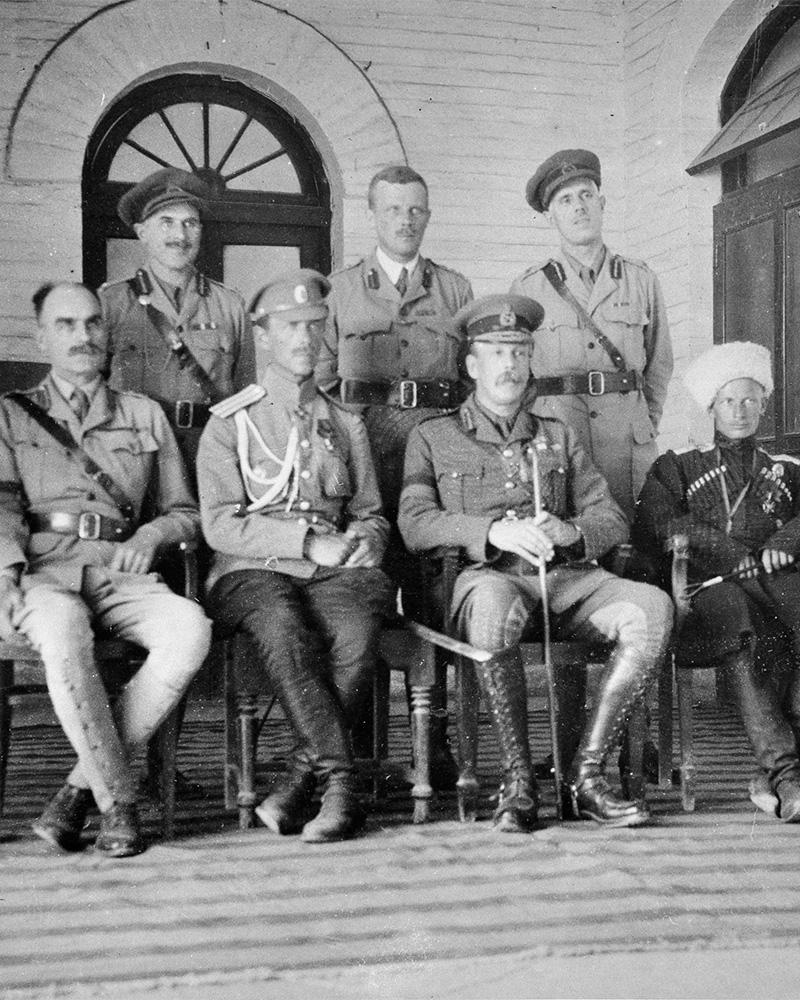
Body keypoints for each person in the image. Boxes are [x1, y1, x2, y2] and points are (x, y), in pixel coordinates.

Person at [398, 294, 672, 832]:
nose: (509, 365)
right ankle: (518, 781)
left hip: (568, 580)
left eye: (519, 352)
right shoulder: (432, 437)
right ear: (472, 364)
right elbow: (415, 523)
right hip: (488, 579)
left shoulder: (558, 435)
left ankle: (585, 777)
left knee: (652, 608)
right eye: (496, 352)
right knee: (495, 607)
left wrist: (571, 532)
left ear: (530, 363)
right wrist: (491, 532)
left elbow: (609, 516)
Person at [0, 283, 211, 856]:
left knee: (189, 628)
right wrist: (5, 574)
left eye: (92, 323)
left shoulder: (144, 413)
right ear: (41, 335)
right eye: (65, 325)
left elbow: (185, 513)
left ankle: (75, 790)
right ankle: (118, 800)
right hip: (46, 574)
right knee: (64, 633)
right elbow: (2, 509)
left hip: (122, 572)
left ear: (107, 331)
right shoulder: (11, 415)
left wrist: (151, 533)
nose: (83, 336)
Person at [198, 269, 393, 843]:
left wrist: (367, 538)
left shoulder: (345, 421)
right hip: (251, 571)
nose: (306, 338)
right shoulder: (231, 422)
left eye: (315, 325)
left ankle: (300, 779)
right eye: (290, 326)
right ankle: (340, 786)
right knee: (285, 628)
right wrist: (307, 543)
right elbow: (218, 524)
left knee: (357, 632)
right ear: (262, 335)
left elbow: (371, 510)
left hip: (334, 570)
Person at [316, 165, 474, 780]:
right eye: (393, 211)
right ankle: (354, 745)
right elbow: (325, 389)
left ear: (427, 215)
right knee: (360, 596)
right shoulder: (340, 290)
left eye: (416, 210)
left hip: (434, 464)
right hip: (365, 464)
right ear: (373, 216)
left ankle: (430, 746)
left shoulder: (455, 290)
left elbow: (470, 383)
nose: (405, 221)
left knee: (434, 597)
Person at [633, 341, 800, 823]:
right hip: (708, 593)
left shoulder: (787, 469)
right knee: (743, 621)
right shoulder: (678, 465)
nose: (739, 411)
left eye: (750, 400)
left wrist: (785, 542)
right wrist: (733, 552)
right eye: (728, 401)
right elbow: (658, 524)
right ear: (710, 407)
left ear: (765, 404)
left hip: (774, 581)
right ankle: (786, 773)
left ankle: (777, 776)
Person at [510, 149, 673, 521]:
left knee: (634, 542)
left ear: (602, 203)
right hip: (561, 436)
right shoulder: (528, 287)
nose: (578, 207)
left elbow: (659, 362)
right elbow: (519, 372)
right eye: (565, 200)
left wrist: (641, 424)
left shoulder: (640, 278)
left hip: (626, 445)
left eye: (585, 195)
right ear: (550, 215)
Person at [99, 167, 255, 475]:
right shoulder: (111, 304)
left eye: (190, 223)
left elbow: (245, 393)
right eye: (166, 223)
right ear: (142, 232)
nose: (180, 236)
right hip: (136, 454)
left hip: (209, 455)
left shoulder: (230, 305)